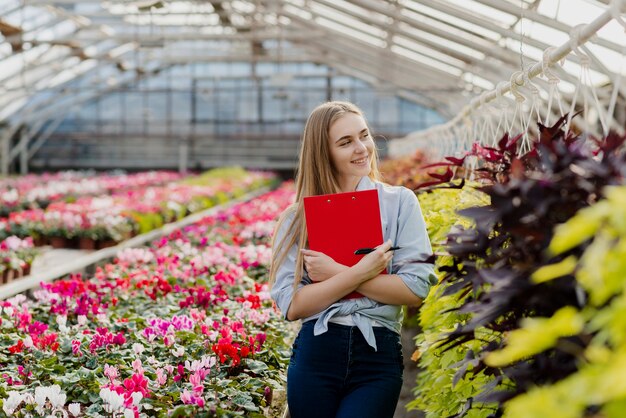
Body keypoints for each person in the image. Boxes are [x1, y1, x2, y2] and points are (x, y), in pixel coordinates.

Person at [269, 101, 436, 418]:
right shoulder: (296, 219)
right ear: (324, 152)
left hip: (377, 357)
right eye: (345, 142)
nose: (362, 148)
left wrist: (335, 272)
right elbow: (291, 305)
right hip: (315, 356)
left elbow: (414, 288)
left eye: (364, 136)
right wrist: (361, 272)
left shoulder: (400, 202)